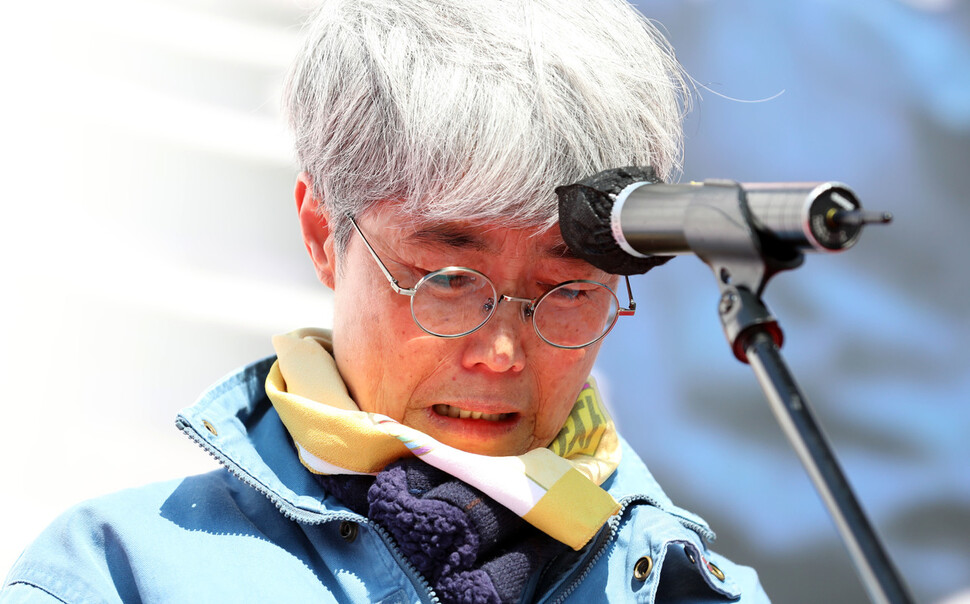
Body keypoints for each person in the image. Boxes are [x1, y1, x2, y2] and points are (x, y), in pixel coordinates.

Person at [2, 0, 769, 602]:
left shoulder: (693, 590)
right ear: (318, 229)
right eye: (448, 279)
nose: (500, 353)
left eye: (567, 288)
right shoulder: (115, 576)